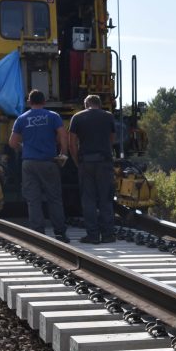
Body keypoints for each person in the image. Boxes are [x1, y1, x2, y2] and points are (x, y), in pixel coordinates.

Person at [9, 90, 70, 242]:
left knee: (33, 199)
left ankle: (38, 233)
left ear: (29, 102)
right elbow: (63, 135)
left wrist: (24, 147)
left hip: (29, 163)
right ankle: (60, 232)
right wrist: (63, 153)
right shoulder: (53, 116)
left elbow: (12, 142)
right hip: (49, 162)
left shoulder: (22, 118)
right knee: (54, 198)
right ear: (44, 101)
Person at [69, 94, 116, 243]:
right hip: (104, 162)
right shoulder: (108, 117)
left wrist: (78, 162)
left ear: (86, 104)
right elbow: (111, 139)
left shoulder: (77, 117)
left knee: (88, 199)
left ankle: (93, 235)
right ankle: (108, 234)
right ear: (99, 104)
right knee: (105, 199)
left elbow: (72, 143)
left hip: (86, 162)